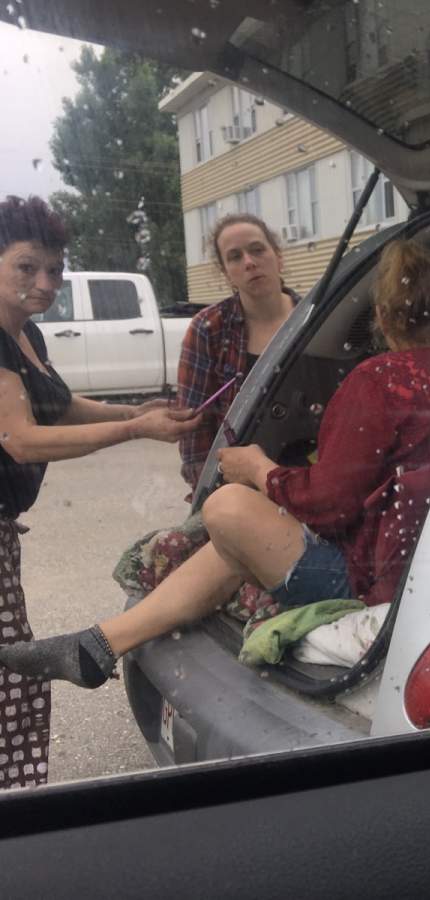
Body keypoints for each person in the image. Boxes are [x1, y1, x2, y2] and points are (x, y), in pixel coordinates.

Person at [0, 240, 430, 690]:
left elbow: (329, 506)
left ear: (381, 317)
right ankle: (98, 644)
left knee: (230, 508)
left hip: (378, 578)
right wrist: (135, 415)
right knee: (236, 542)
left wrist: (260, 469)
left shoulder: (378, 381)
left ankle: (99, 644)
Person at [0, 195, 198, 788]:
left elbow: (60, 408)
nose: (45, 282)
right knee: (14, 674)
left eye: (55, 269)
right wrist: (135, 429)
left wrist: (133, 409)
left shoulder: (24, 334)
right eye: (26, 267)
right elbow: (23, 441)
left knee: (15, 672)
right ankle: (16, 806)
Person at [177, 213, 299, 491]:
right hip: (237, 490)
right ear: (225, 273)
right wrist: (214, 491)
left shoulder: (316, 318)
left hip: (312, 481)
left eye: (257, 250)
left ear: (278, 256)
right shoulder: (208, 330)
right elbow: (194, 435)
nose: (249, 262)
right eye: (234, 257)